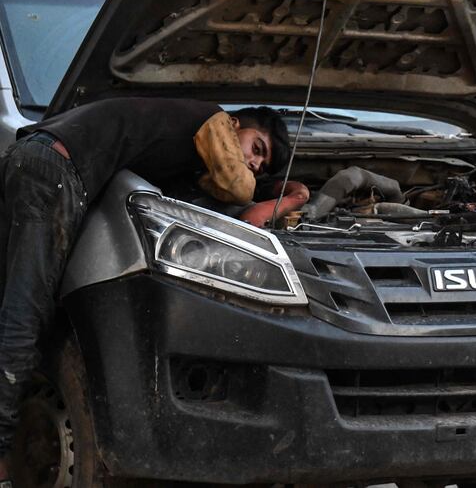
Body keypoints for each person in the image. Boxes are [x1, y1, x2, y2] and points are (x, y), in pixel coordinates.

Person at [0, 97, 305, 482]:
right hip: (57, 173)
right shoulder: (213, 119)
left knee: (14, 312)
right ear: (237, 123)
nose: (255, 163)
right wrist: (288, 195)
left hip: (33, 161)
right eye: (257, 148)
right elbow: (239, 190)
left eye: (263, 164)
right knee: (24, 317)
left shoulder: (180, 143)